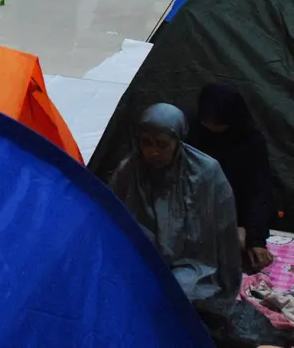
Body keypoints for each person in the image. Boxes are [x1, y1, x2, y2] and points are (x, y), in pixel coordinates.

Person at [111, 103, 242, 301]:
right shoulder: (128, 172)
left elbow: (225, 231)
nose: (153, 152)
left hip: (192, 262)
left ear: (177, 141)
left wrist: (230, 283)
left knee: (177, 297)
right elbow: (110, 218)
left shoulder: (206, 172)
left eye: (162, 144)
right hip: (141, 257)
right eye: (146, 142)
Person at [189, 83, 275, 272]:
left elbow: (258, 191)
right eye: (207, 122)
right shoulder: (193, 134)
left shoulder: (250, 141)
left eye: (219, 125)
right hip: (194, 216)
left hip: (236, 217)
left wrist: (255, 237)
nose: (211, 129)